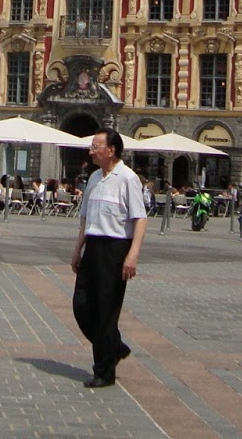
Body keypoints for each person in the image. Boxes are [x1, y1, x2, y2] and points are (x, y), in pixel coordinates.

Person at [70, 128, 148, 389]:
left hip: (116, 249)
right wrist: (77, 248)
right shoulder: (93, 177)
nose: (91, 150)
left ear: (111, 150)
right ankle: (114, 346)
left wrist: (133, 255)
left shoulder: (128, 178)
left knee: (106, 311)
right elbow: (85, 217)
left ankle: (103, 371)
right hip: (93, 245)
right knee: (81, 305)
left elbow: (140, 219)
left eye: (96, 146)